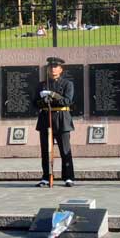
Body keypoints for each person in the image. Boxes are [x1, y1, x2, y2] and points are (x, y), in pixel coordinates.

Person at [34, 57, 75, 187]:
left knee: (65, 150)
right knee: (46, 151)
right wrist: (42, 101)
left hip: (62, 119)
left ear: (61, 69)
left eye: (56, 66)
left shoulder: (67, 84)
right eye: (51, 67)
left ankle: (68, 177)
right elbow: (34, 103)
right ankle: (46, 177)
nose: (53, 69)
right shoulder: (41, 85)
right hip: (46, 118)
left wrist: (53, 95)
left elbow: (67, 101)